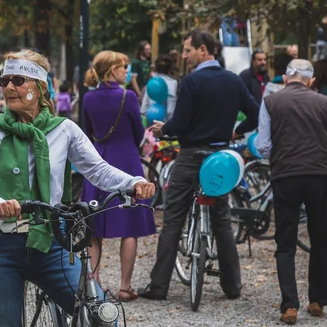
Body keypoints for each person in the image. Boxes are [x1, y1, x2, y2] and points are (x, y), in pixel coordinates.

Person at [0, 49, 155, 327]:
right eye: (4, 81)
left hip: (52, 239)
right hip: (1, 245)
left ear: (40, 87)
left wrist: (133, 182)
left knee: (99, 313)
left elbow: (98, 170)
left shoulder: (64, 129)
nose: (8, 87)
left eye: (18, 80)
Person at [140, 28, 259, 301]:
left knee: (172, 221)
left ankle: (159, 287)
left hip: (191, 156)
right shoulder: (233, 80)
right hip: (219, 159)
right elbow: (255, 113)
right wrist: (237, 131)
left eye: (188, 50)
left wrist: (163, 130)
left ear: (203, 50)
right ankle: (232, 286)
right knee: (223, 223)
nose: (184, 55)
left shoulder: (192, 82)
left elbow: (179, 124)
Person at [255, 59, 327, 324]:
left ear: (285, 78)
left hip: (285, 175)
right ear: (311, 81)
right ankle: (318, 299)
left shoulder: (271, 102)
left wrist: (283, 154)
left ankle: (290, 306)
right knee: (320, 238)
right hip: (320, 175)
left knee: (285, 241)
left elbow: (263, 145)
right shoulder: (323, 102)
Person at [81, 50, 156, 301]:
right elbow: (138, 132)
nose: (127, 70)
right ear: (113, 70)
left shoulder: (88, 98)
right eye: (124, 66)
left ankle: (95, 285)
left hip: (98, 160)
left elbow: (86, 132)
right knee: (130, 225)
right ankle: (125, 286)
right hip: (127, 160)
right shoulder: (129, 96)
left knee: (94, 225)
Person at [140, 55, 179, 122]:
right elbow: (170, 110)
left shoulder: (152, 82)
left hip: (151, 122)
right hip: (165, 124)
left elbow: (143, 108)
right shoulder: (173, 83)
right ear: (170, 69)